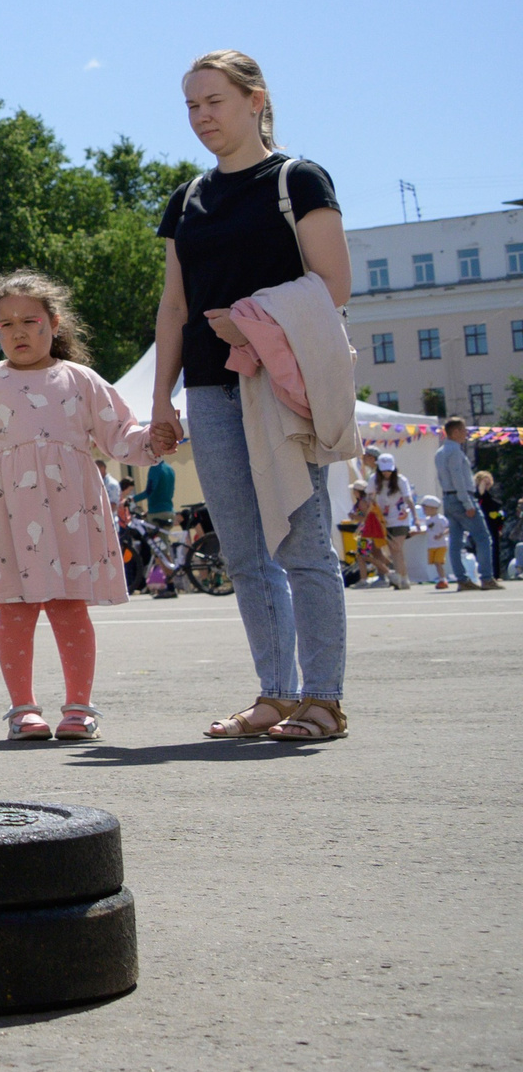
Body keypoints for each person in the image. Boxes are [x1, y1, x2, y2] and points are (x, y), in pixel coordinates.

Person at [150, 50, 355, 743]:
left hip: (281, 381)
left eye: (214, 101)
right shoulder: (189, 198)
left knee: (304, 542)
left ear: (255, 99)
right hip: (209, 388)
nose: (202, 116)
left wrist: (252, 320)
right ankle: (275, 694)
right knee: (243, 550)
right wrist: (161, 400)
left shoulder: (297, 178)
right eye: (191, 105)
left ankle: (323, 699)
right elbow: (174, 305)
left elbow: (334, 282)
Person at [0, 272, 150, 742]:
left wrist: (154, 438)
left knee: (69, 605)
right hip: (4, 512)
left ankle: (79, 708)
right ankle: (23, 710)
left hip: (69, 510)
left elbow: (120, 435)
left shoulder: (81, 379)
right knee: (15, 609)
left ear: (54, 323)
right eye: (5, 324)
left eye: (29, 321)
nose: (17, 331)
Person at [434, 419, 493, 591]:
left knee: (455, 541)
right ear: (455, 432)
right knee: (482, 537)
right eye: (463, 430)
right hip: (462, 498)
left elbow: (442, 478)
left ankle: (462, 579)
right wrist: (467, 503)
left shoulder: (440, 452)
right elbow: (457, 478)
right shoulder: (455, 452)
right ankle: (487, 577)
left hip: (448, 498)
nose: (466, 433)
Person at [371, 453, 419, 588]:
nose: (387, 473)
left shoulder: (400, 480)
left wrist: (415, 518)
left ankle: (399, 577)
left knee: (396, 547)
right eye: (384, 470)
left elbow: (408, 499)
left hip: (400, 518)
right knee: (395, 551)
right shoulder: (373, 480)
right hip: (382, 520)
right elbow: (370, 497)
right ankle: (404, 577)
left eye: (389, 470)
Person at [479, 470, 508, 589]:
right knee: (487, 548)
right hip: (486, 524)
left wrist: (500, 525)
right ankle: (487, 575)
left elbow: (499, 510)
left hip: (495, 524)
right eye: (485, 480)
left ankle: (496, 574)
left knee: (496, 549)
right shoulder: (481, 494)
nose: (488, 482)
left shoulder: (493, 494)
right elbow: (480, 493)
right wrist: (482, 482)